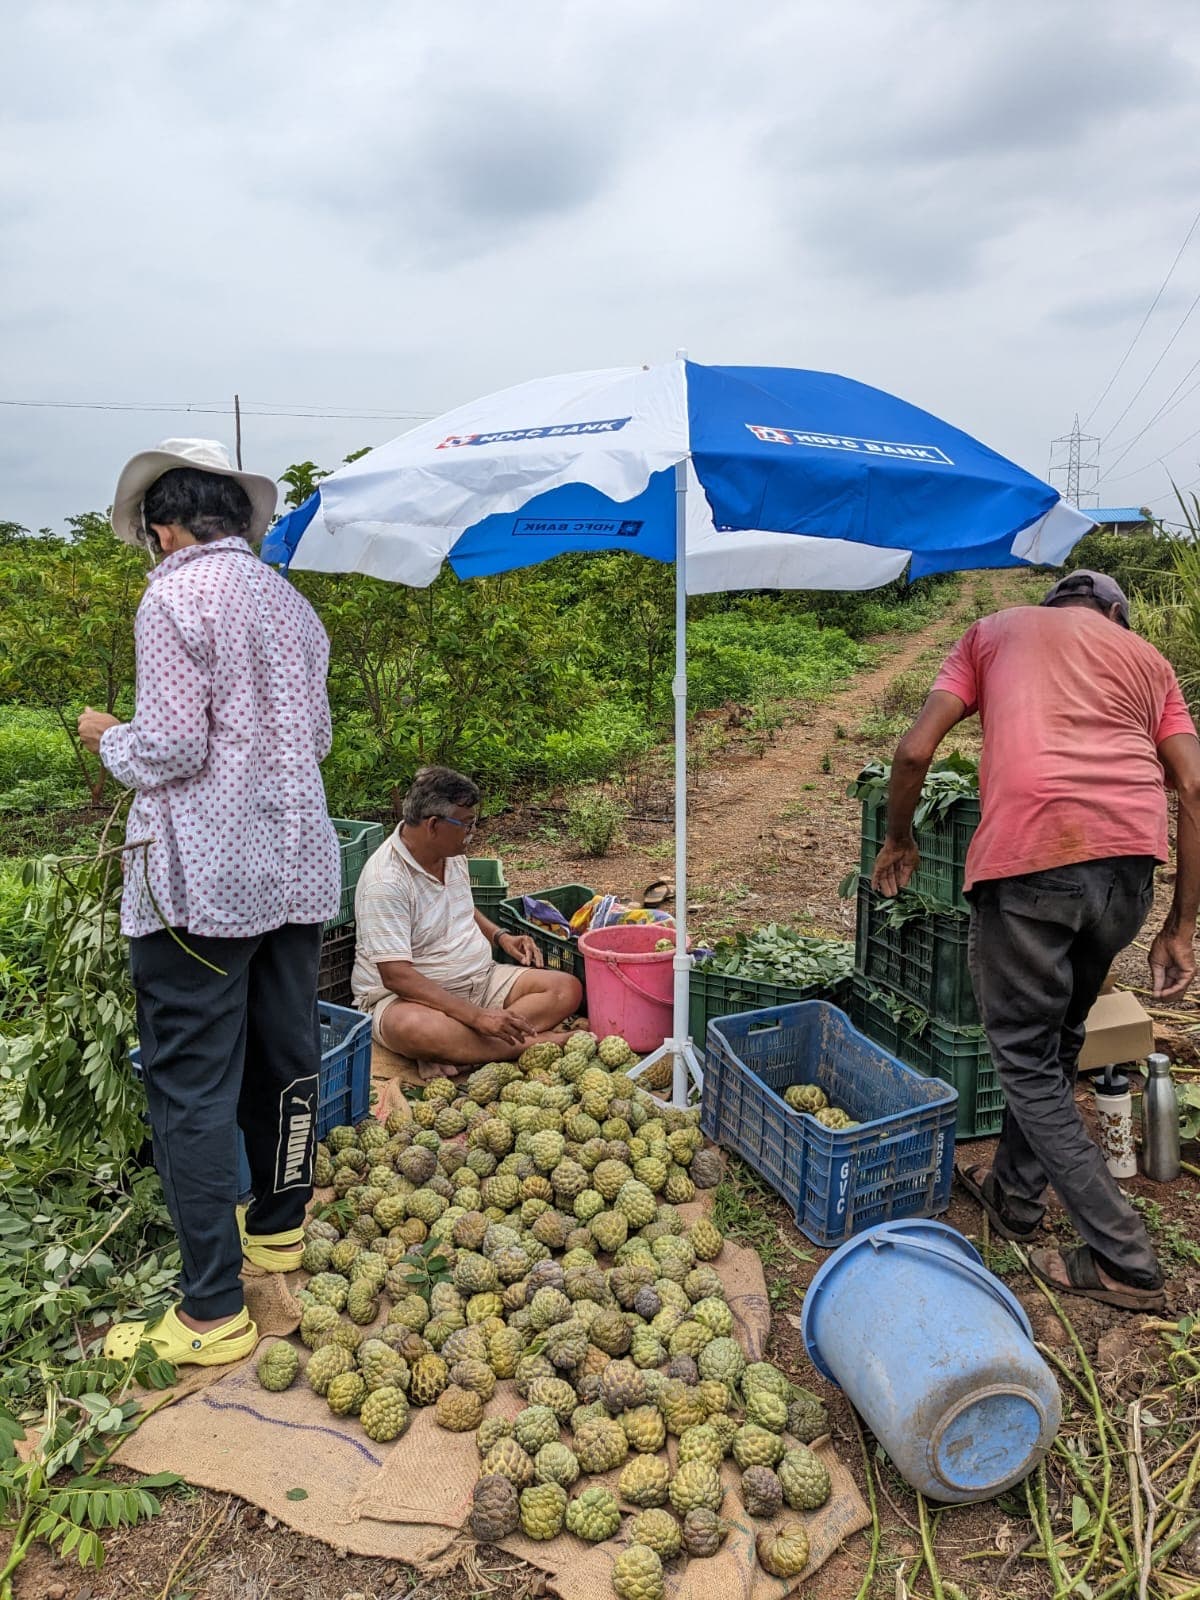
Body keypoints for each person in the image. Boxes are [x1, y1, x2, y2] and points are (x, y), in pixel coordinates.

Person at [872, 569, 1200, 1312]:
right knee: (1057, 1042)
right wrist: (1182, 927)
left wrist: (899, 840)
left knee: (1023, 1059)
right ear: (1115, 612)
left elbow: (916, 749)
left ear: (1048, 605)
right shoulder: (1149, 659)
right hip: (1126, 870)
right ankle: (1015, 1200)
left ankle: (1126, 1258)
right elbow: (1193, 786)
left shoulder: (992, 632)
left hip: (1034, 858)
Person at [78, 438, 340, 1366]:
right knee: (287, 1050)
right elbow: (315, 735)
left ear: (163, 530)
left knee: (189, 1082)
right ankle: (279, 1227)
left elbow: (174, 748)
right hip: (298, 866)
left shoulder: (175, 592)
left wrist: (109, 738)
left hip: (205, 882)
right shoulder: (291, 602)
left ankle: (210, 1312)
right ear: (237, 519)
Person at [353, 766, 582, 1078]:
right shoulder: (386, 882)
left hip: (479, 980)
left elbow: (463, 907)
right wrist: (476, 1017)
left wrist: (500, 937)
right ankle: (529, 1044)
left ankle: (469, 1047)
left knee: (565, 989)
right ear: (433, 825)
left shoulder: (451, 855)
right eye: (467, 825)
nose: (472, 833)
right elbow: (396, 977)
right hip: (410, 1000)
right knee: (414, 1029)